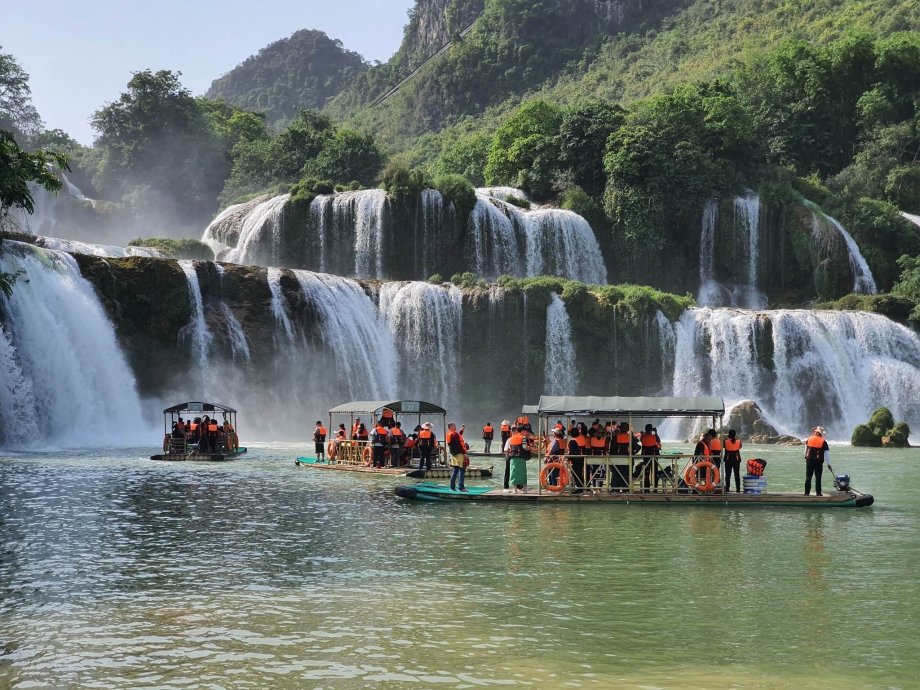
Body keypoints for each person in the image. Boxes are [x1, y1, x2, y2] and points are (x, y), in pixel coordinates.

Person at [506, 426, 533, 493]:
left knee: (513, 473)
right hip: (521, 457)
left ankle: (515, 490)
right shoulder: (523, 437)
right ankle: (524, 490)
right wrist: (530, 448)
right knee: (522, 473)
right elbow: (524, 447)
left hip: (513, 458)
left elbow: (509, 448)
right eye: (525, 431)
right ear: (522, 431)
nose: (525, 433)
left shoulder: (511, 438)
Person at [804, 426, 829, 496]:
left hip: (809, 460)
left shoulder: (809, 439)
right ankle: (818, 493)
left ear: (815, 433)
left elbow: (805, 451)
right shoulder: (823, 442)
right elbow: (827, 454)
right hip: (818, 462)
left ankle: (806, 493)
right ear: (821, 434)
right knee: (818, 477)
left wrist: (807, 458)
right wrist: (828, 464)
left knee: (808, 477)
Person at [638, 424, 661, 490]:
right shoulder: (654, 437)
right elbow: (658, 441)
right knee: (655, 472)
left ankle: (646, 488)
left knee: (646, 473)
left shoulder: (643, 437)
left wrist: (646, 432)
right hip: (654, 457)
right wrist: (656, 432)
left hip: (646, 457)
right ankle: (655, 488)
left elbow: (641, 440)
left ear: (645, 429)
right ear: (651, 430)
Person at [446, 422, 468, 492]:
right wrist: (464, 453)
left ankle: (452, 487)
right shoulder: (454, 434)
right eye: (454, 425)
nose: (455, 426)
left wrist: (462, 430)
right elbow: (458, 444)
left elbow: (458, 437)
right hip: (459, 454)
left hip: (454, 454)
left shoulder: (450, 434)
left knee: (455, 471)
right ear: (450, 427)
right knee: (462, 470)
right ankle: (461, 488)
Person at [567, 427, 588, 492]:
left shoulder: (572, 441)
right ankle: (582, 487)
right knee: (579, 473)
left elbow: (571, 452)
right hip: (582, 459)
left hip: (575, 460)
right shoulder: (582, 438)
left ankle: (579, 488)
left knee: (576, 474)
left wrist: (568, 458)